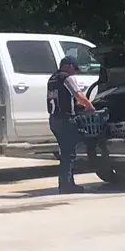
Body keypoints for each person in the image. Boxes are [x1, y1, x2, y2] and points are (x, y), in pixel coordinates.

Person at [47, 57, 93, 193]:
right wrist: (89, 106)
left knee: (64, 152)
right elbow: (78, 96)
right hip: (65, 119)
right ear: (69, 66)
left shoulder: (52, 79)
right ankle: (66, 185)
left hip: (54, 119)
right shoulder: (67, 78)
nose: (74, 72)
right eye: (74, 68)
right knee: (69, 154)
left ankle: (67, 183)